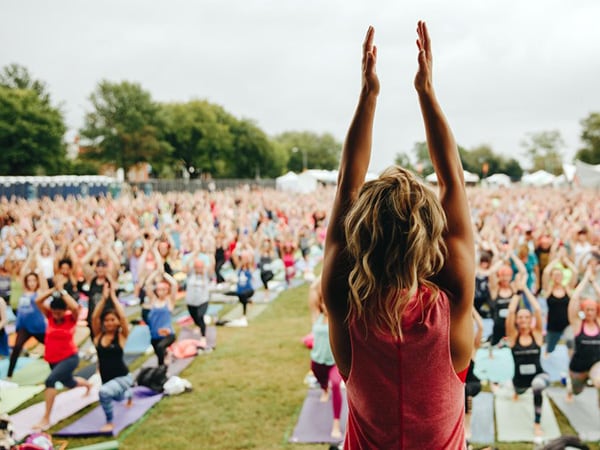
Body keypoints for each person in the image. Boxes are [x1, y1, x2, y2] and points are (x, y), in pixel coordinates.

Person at [321, 22, 474, 449]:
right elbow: (454, 184)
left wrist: (368, 96)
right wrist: (426, 90)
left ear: (360, 234)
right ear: (428, 239)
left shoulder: (344, 305)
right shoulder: (451, 306)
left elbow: (345, 187)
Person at [33, 276, 92, 431]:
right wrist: (53, 290)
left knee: (50, 381)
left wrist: (63, 291)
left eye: (59, 313)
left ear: (63, 311)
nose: (57, 315)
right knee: (69, 383)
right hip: (52, 359)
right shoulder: (50, 317)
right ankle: (88, 385)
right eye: (55, 312)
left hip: (69, 357)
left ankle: (46, 418)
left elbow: (74, 307)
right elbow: (38, 301)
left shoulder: (70, 318)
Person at [505, 280, 550, 438]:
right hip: (520, 381)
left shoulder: (536, 335)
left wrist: (525, 289)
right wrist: (517, 294)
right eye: (520, 317)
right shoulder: (513, 337)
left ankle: (537, 423)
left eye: (526, 317)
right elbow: (510, 313)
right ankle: (517, 392)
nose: (523, 320)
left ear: (530, 319)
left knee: (538, 386)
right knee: (518, 390)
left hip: (538, 375)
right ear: (517, 321)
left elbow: (537, 309)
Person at [91, 280, 133, 433]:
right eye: (107, 320)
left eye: (112, 320)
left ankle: (109, 421)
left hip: (123, 377)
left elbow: (123, 318)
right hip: (108, 380)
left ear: (117, 322)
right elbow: (94, 318)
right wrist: (103, 299)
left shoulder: (121, 336)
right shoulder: (98, 336)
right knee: (117, 398)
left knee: (104, 393)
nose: (109, 323)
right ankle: (129, 394)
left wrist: (113, 297)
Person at [309, 276, 343, 439]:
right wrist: (322, 276)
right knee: (321, 380)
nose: (325, 304)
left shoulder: (337, 319)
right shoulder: (316, 316)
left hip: (334, 362)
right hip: (317, 361)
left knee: (336, 384)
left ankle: (336, 423)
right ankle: (324, 389)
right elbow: (313, 289)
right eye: (322, 301)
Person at [566, 265, 600, 404]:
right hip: (578, 366)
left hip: (596, 364)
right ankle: (569, 389)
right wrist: (585, 279)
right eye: (587, 310)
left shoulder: (598, 323)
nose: (590, 312)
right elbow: (574, 299)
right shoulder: (578, 324)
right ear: (583, 310)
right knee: (576, 391)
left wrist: (594, 283)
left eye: (592, 310)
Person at [7, 273, 47, 379]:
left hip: (38, 328)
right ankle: (9, 374)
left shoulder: (39, 293)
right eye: (29, 280)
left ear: (37, 281)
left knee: (51, 346)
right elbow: (21, 312)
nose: (32, 283)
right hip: (25, 328)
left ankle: (59, 367)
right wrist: (17, 326)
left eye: (34, 280)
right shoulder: (24, 294)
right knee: (17, 348)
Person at [144, 271, 178, 366]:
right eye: (159, 290)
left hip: (168, 334)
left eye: (164, 290)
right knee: (159, 353)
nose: (161, 292)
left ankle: (161, 371)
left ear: (167, 290)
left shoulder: (169, 301)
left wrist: (164, 274)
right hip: (155, 336)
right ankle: (167, 355)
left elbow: (174, 284)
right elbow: (147, 284)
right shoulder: (153, 301)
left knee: (160, 348)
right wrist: (155, 272)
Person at [185, 258, 211, 347]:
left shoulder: (206, 274)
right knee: (195, 319)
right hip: (191, 302)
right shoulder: (190, 274)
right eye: (197, 267)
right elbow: (185, 267)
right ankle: (199, 326)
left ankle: (203, 336)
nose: (199, 269)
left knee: (200, 316)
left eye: (200, 267)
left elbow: (212, 265)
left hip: (203, 301)